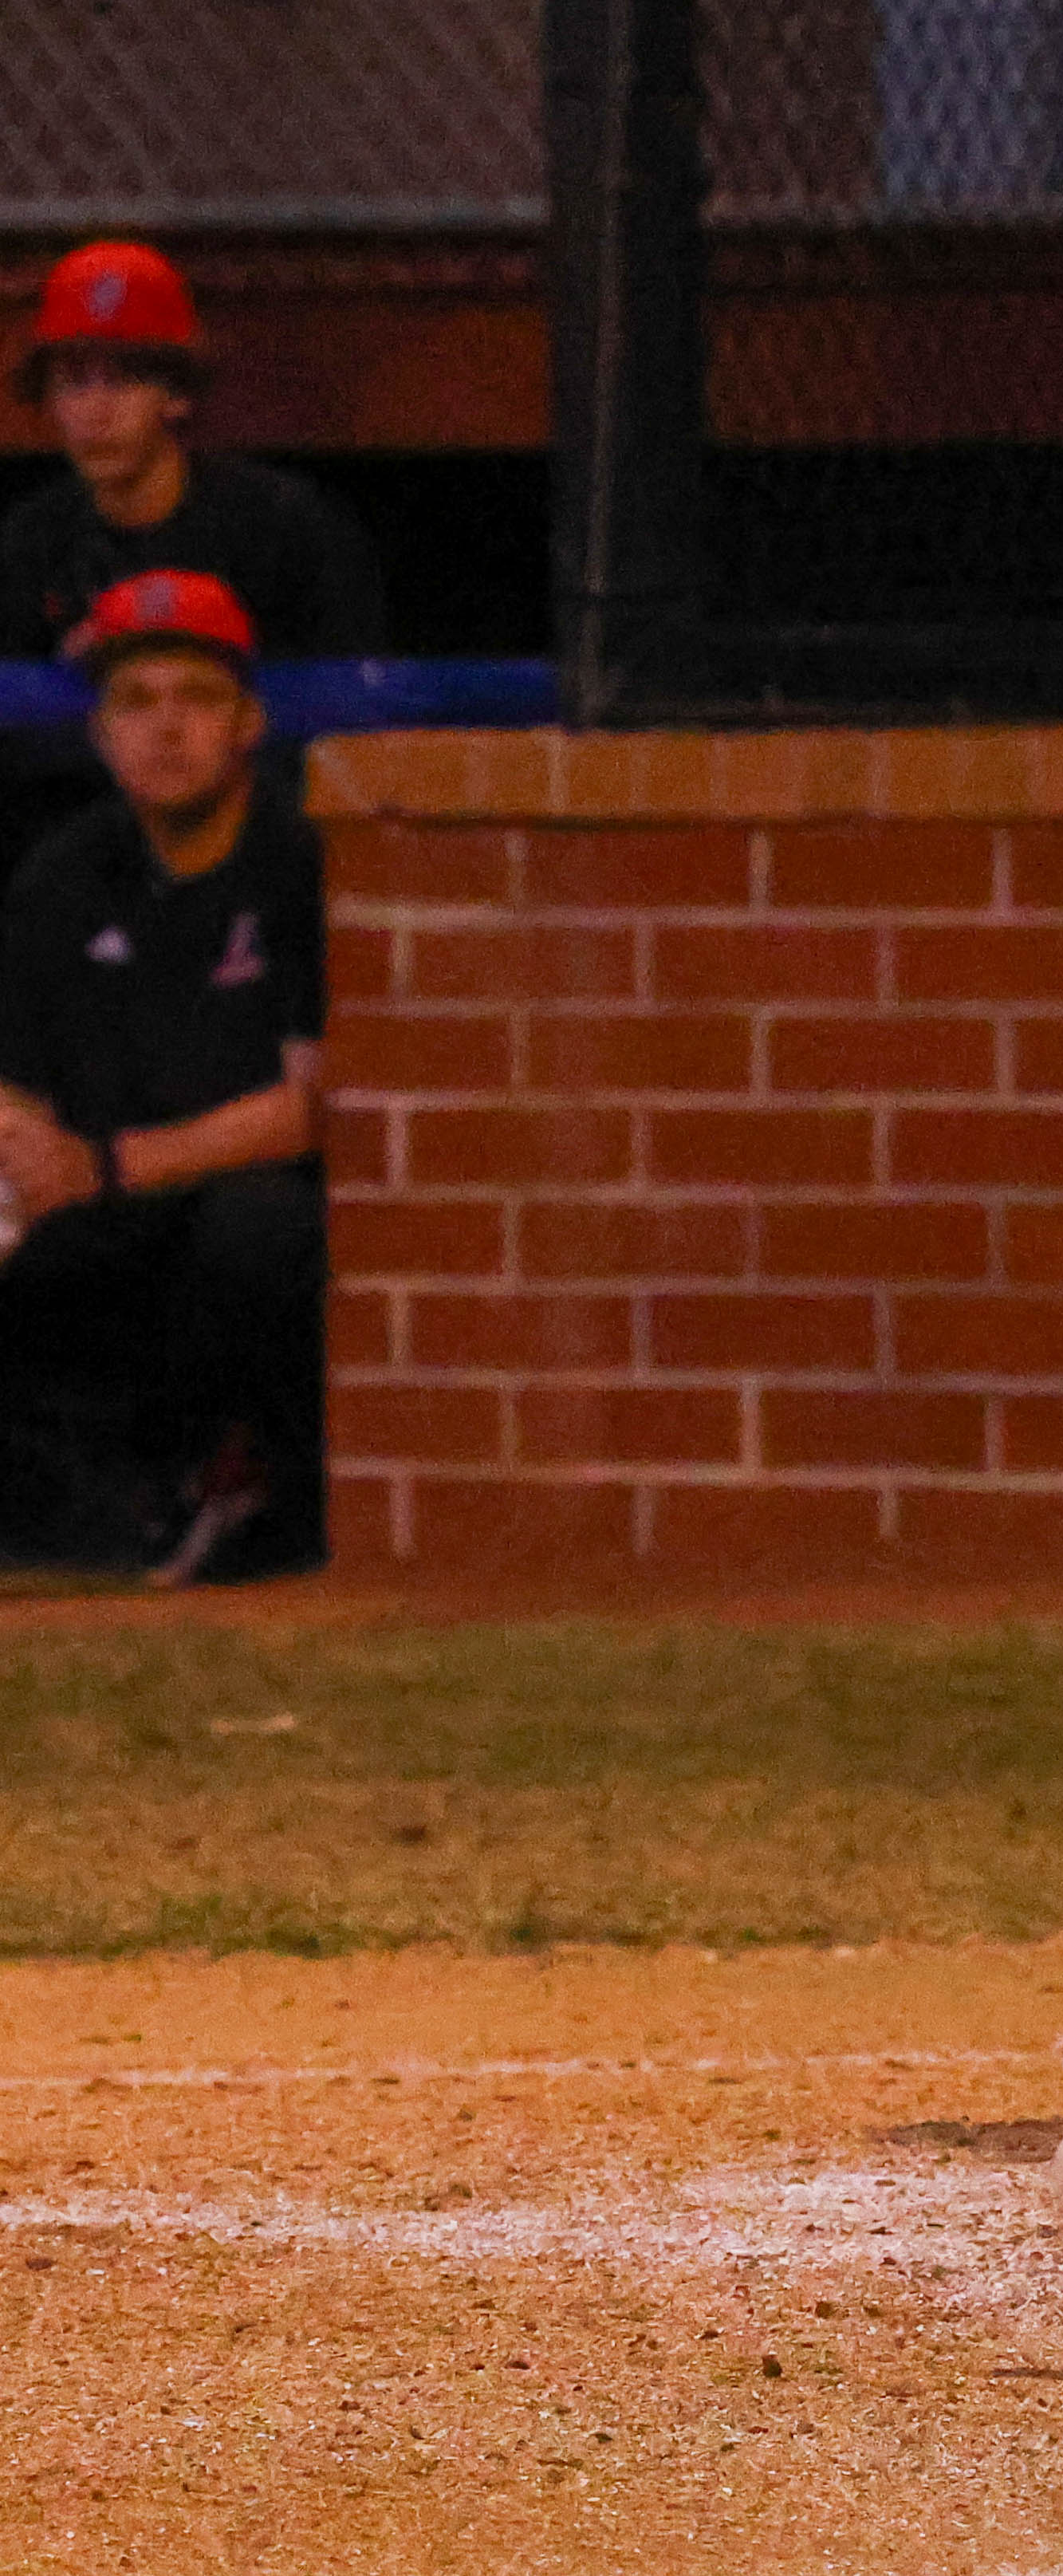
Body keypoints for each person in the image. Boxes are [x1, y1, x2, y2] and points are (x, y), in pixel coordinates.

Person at [0, 572, 329, 1586]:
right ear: (99, 734)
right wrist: (28, 1156)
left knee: (257, 1233)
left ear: (249, 721)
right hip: (103, 1208)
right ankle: (97, 1504)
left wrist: (106, 1164)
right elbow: (15, 1083)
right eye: (136, 703)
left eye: (195, 696)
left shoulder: (299, 860)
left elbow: (314, 1107)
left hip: (246, 1206)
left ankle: (257, 1489)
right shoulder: (63, 872)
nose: (166, 727)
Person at [0, 241, 386, 664]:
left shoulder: (283, 527)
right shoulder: (28, 543)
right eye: (72, 383)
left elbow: (350, 699)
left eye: (124, 381)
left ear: (178, 393)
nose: (95, 412)